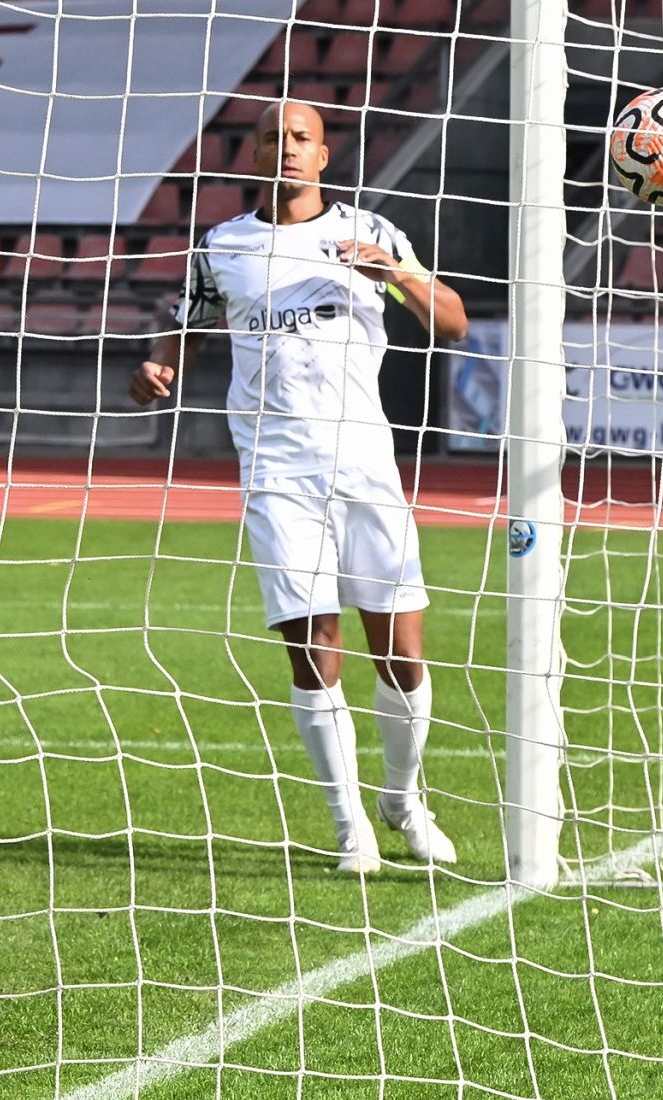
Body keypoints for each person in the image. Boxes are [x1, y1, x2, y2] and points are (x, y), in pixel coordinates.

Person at [128, 99, 469, 874]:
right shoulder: (222, 245)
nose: (285, 147)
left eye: (300, 137)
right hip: (276, 469)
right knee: (315, 649)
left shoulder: (372, 231)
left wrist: (392, 275)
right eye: (271, 138)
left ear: (322, 155)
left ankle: (403, 799)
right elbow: (187, 324)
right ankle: (351, 829)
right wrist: (158, 365)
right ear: (252, 155)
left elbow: (452, 322)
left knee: (402, 652)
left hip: (367, 465)